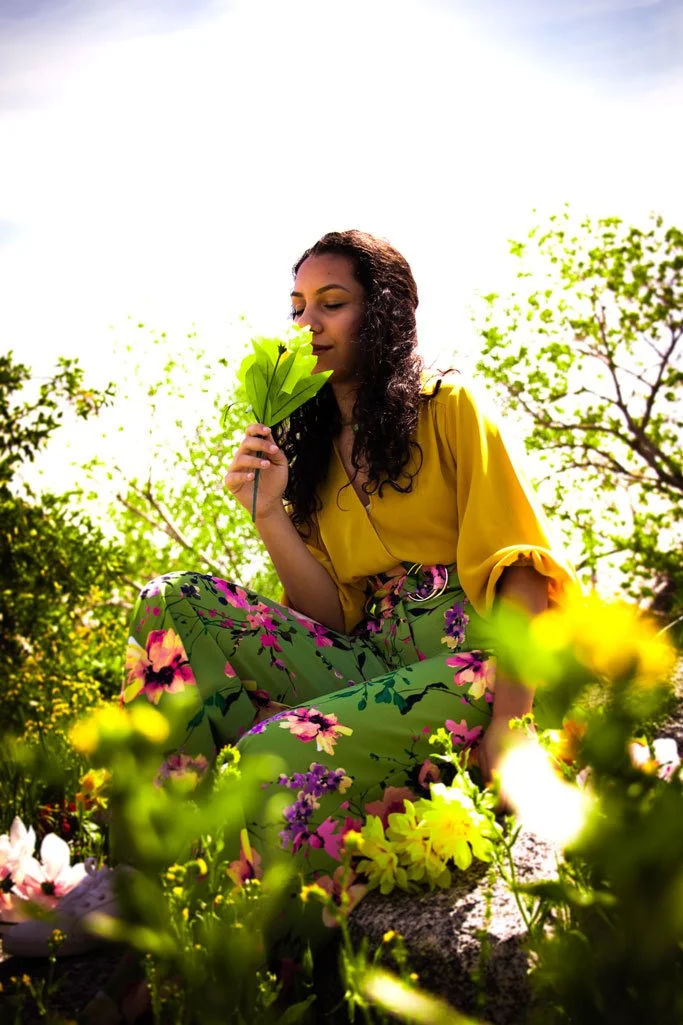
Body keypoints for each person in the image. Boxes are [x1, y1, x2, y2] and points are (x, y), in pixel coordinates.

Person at [120, 230, 577, 931]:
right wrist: (268, 512)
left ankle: (278, 947)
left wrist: (510, 727)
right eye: (298, 306)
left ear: (383, 313)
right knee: (172, 600)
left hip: (469, 671)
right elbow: (327, 618)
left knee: (272, 750)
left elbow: (521, 571)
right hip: (369, 667)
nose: (309, 323)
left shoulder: (448, 408)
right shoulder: (314, 459)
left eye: (331, 304)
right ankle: (151, 872)